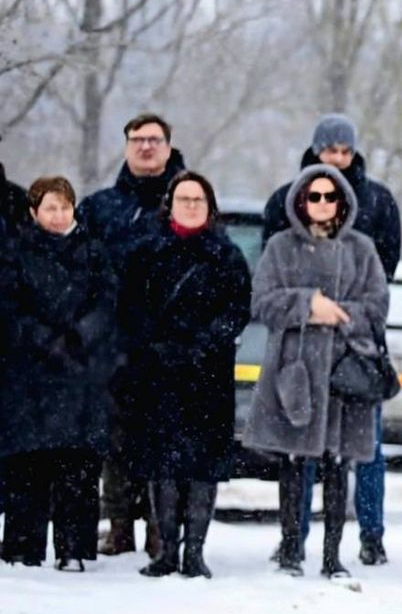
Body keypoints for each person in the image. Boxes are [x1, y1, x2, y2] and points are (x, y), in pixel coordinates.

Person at [262, 113, 401, 566]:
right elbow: (263, 295)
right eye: (314, 195)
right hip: (297, 364)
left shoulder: (369, 226)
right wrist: (307, 305)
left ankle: (351, 545)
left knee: (353, 457)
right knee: (295, 458)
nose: (323, 200)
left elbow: (379, 294)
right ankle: (291, 543)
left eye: (331, 196)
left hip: (348, 367)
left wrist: (341, 315)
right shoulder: (281, 235)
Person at [116, 172, 251, 578]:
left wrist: (204, 343)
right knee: (163, 462)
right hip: (159, 373)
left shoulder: (226, 256)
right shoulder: (146, 253)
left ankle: (195, 551)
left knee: (203, 464)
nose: (191, 206)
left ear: (210, 207)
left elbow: (238, 309)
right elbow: (130, 308)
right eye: (183, 198)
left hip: (208, 374)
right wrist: (158, 345)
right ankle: (167, 552)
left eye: (198, 199)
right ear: (169, 204)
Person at [79, 114, 186, 559]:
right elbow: (81, 269)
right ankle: (119, 525)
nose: (146, 147)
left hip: (169, 342)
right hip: (113, 343)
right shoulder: (101, 207)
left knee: (164, 437)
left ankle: (161, 529)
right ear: (125, 147)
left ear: (168, 146)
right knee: (116, 440)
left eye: (154, 140)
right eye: (137, 139)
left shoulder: (188, 200)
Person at [0, 177, 117, 571]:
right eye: (50, 207)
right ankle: (22, 548)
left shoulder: (93, 253)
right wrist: (44, 339)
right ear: (34, 211)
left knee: (77, 468)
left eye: (65, 207)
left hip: (82, 375)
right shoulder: (15, 252)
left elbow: (107, 302)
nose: (58, 214)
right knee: (27, 467)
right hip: (29, 375)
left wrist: (79, 336)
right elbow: (9, 307)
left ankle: (74, 548)